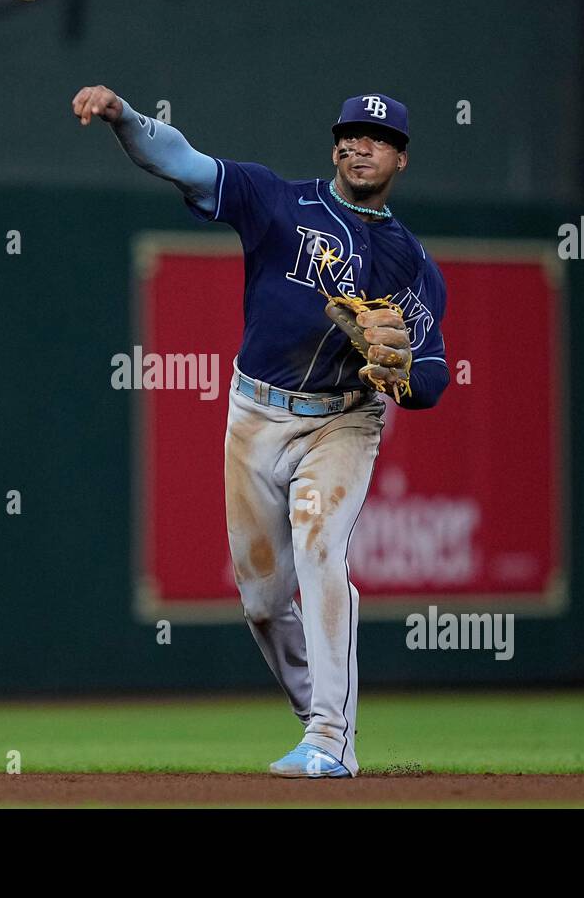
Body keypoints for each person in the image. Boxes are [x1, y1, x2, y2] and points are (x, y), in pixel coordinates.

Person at [72, 84, 450, 778]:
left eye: (376, 138)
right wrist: (124, 118)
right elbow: (183, 162)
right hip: (253, 415)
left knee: (319, 546)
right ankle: (320, 724)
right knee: (262, 603)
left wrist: (398, 376)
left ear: (400, 158)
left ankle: (335, 738)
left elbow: (432, 373)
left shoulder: (412, 265)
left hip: (341, 421)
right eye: (349, 133)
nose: (358, 145)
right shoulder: (278, 201)